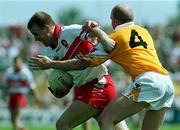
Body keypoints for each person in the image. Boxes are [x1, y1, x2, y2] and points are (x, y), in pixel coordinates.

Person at [29, 4, 174, 130]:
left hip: (119, 83)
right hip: (167, 82)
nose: (36, 39)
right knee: (108, 121)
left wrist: (51, 64)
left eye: (36, 34)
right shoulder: (144, 31)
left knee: (98, 121)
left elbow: (88, 58)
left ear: (114, 20)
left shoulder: (114, 37)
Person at [27, 11, 129, 130]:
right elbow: (70, 72)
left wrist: (97, 30)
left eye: (36, 34)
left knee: (62, 124)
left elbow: (95, 33)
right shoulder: (49, 52)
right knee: (112, 126)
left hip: (98, 85)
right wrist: (61, 89)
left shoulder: (70, 32)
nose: (35, 39)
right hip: (85, 87)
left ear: (47, 28)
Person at [5, 55, 40, 130]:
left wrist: (36, 96)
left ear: (20, 62)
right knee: (12, 119)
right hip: (12, 95)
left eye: (17, 62)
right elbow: (7, 85)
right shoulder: (9, 72)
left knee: (16, 118)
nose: (16, 64)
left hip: (20, 95)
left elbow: (32, 85)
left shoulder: (25, 72)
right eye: (15, 62)